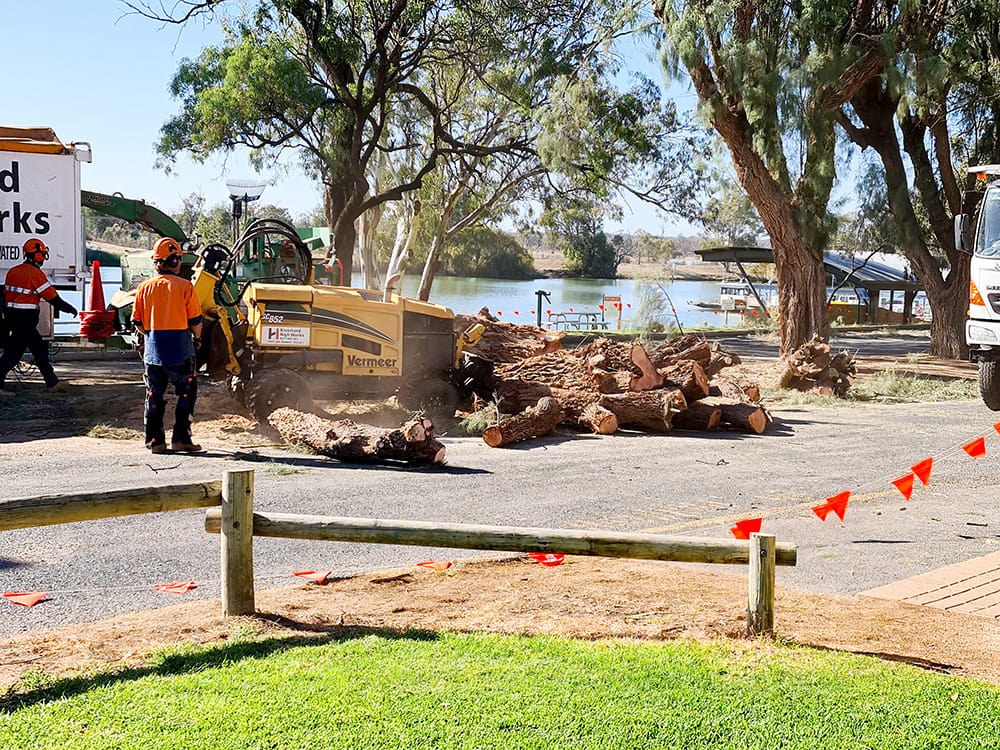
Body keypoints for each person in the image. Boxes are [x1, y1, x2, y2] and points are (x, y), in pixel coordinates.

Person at [131, 237, 203, 454]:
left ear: (156, 263)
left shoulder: (144, 288)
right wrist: (197, 339)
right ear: (176, 261)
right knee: (186, 392)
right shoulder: (185, 287)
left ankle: (155, 442)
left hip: (153, 352)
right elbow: (196, 321)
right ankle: (181, 439)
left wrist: (153, 335)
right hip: (180, 349)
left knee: (154, 394)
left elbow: (137, 322)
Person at [0, 238, 78, 392]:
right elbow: (52, 298)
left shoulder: (13, 271)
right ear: (36, 256)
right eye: (42, 254)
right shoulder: (35, 274)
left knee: (39, 349)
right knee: (13, 355)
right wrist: (70, 309)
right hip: (25, 320)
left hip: (12, 317)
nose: (42, 258)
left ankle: (52, 382)